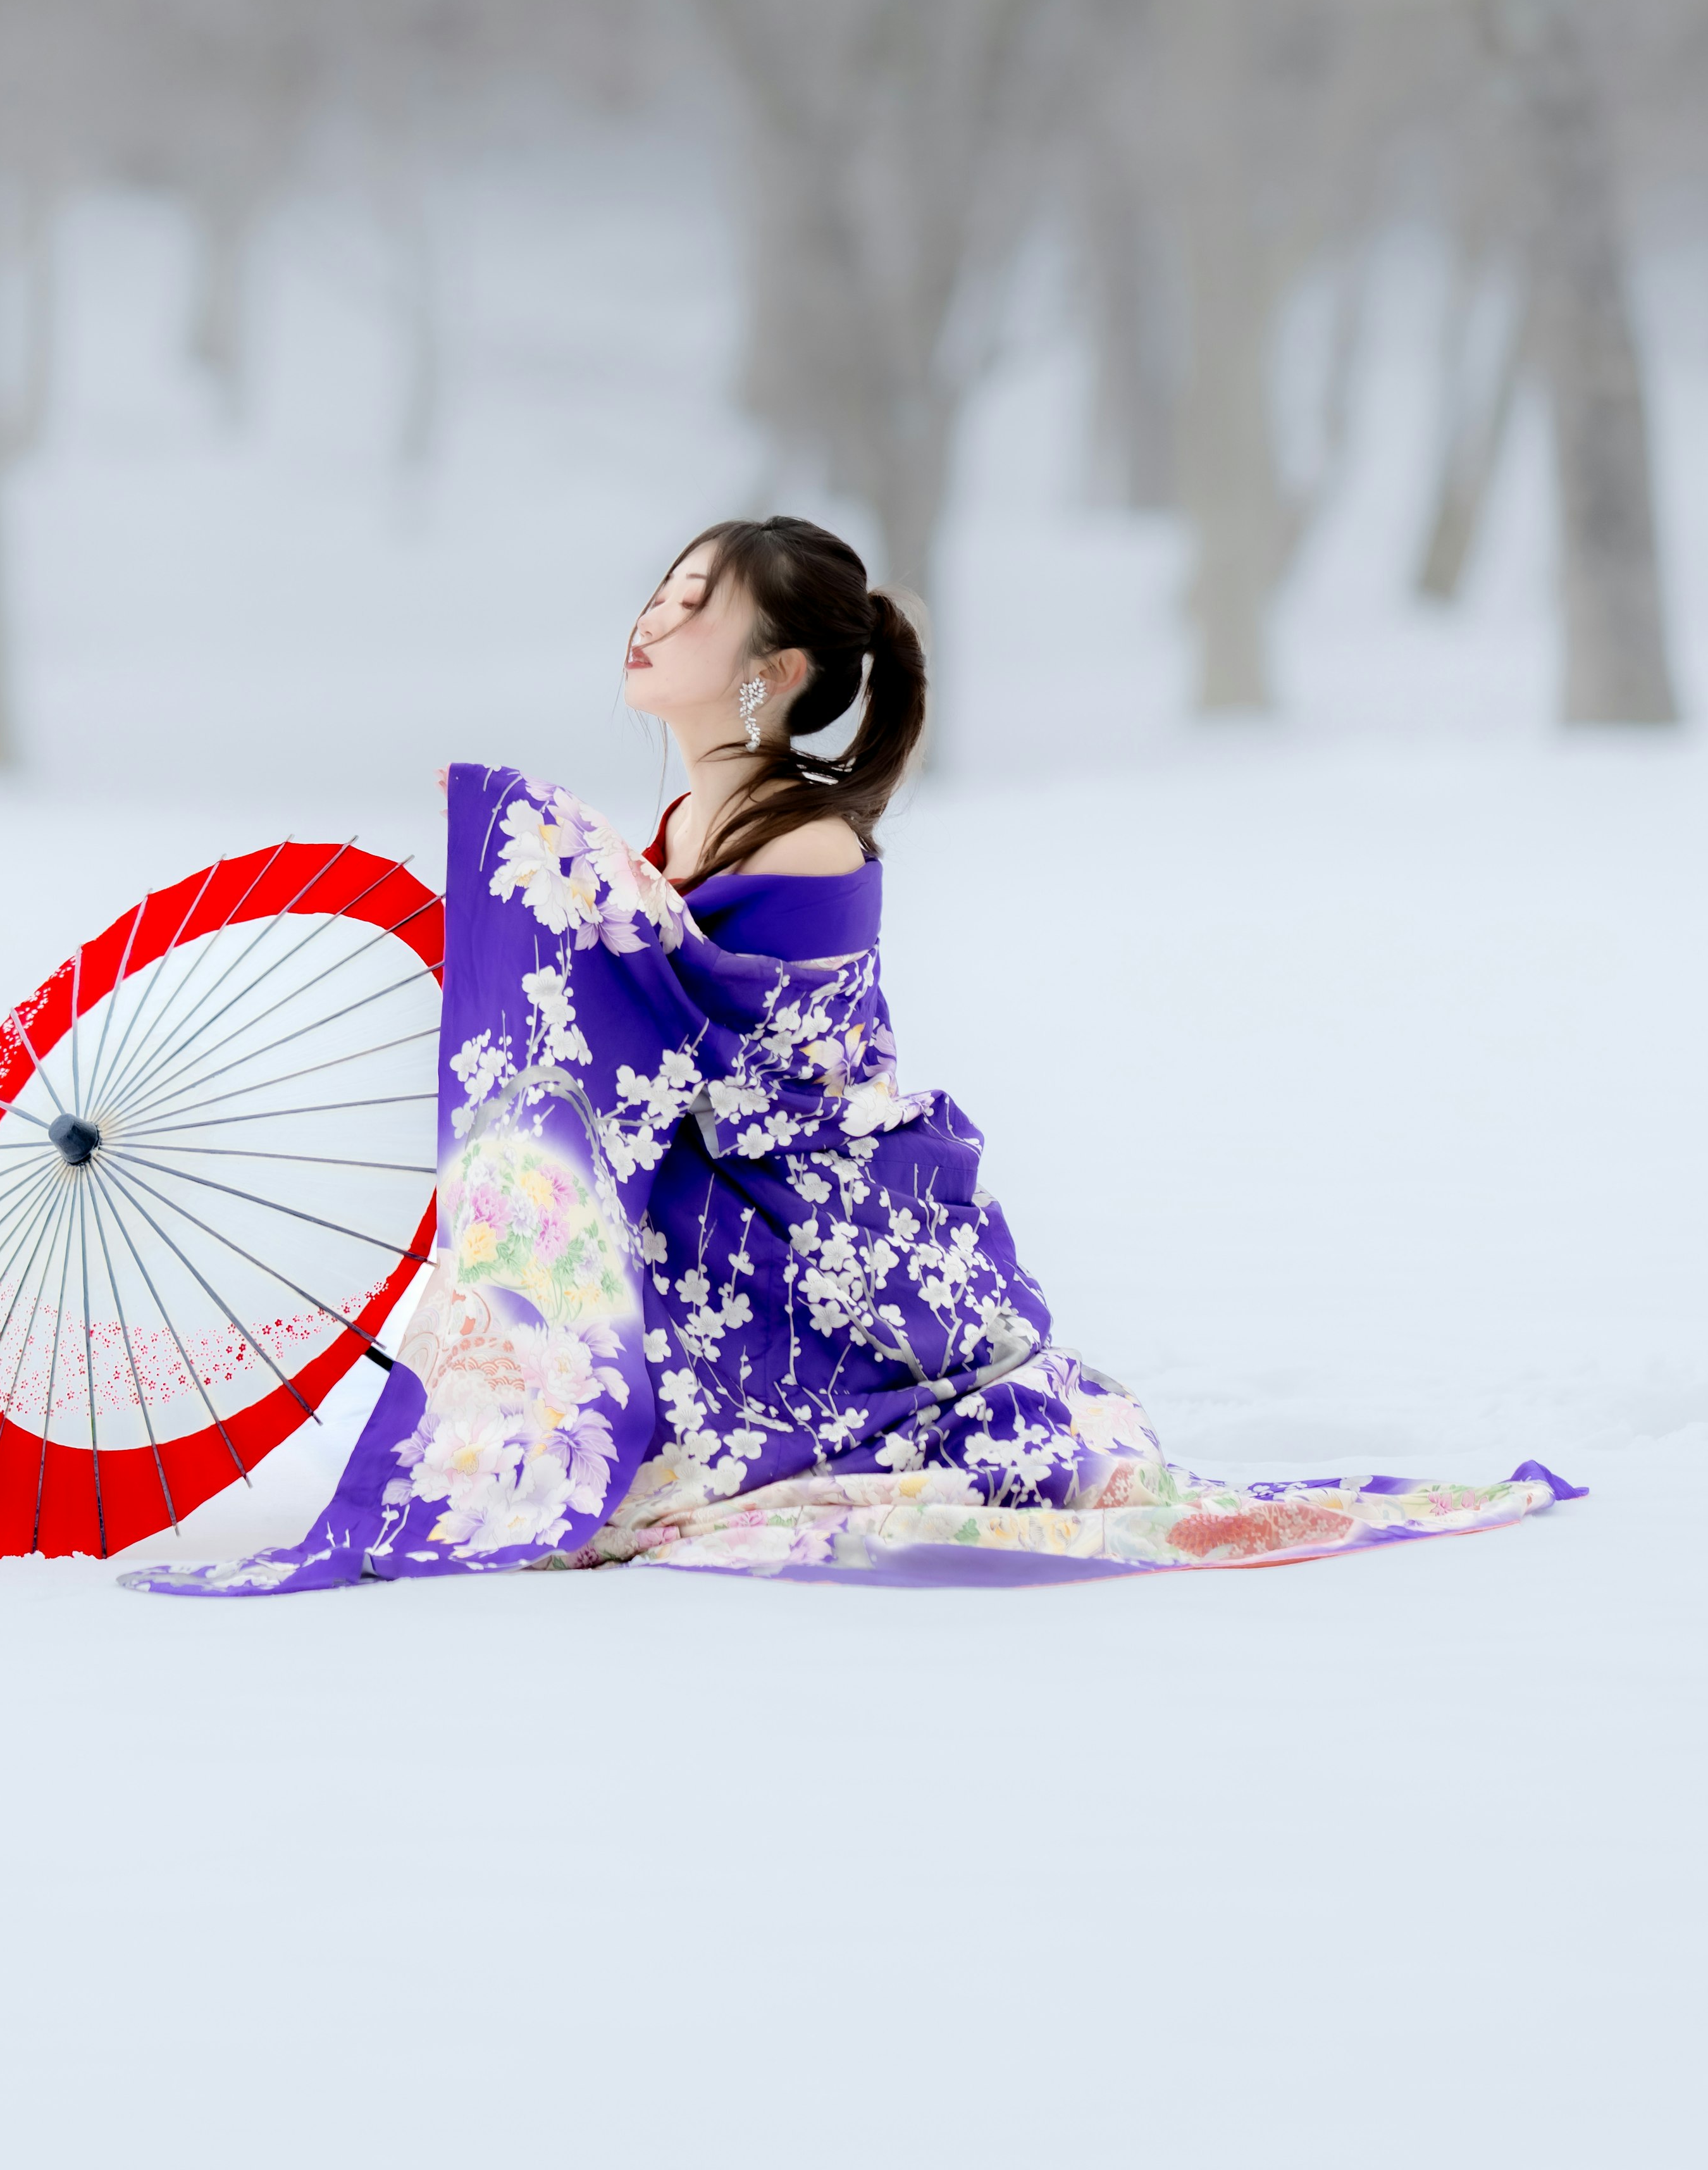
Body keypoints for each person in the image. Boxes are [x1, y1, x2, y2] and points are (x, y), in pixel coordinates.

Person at [130, 516, 1576, 1594]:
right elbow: (646, 1007)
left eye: (695, 606)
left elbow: (735, 1056)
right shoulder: (693, 817)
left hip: (821, 1219)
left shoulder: (805, 831)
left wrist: (563, 891)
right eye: (658, 591)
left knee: (633, 1382)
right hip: (732, 1189)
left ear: (777, 671)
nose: (653, 616)